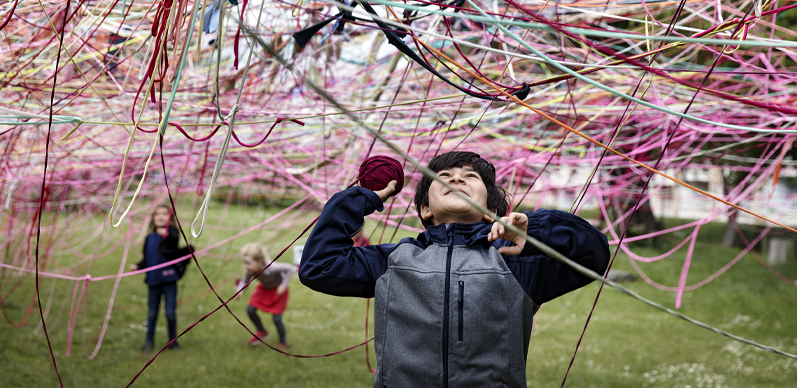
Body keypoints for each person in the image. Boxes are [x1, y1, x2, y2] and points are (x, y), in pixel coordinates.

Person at [299, 151, 610, 388]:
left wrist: (536, 228)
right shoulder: (393, 261)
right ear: (425, 208)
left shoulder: (513, 261)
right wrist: (359, 199)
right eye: (444, 175)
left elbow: (593, 254)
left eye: (471, 176)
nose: (458, 179)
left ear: (491, 209)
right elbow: (319, 266)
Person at [130, 204, 192, 353]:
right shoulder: (149, 238)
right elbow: (147, 259)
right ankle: (148, 342)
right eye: (157, 214)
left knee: (170, 312)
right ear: (153, 218)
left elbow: (174, 240)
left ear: (170, 218)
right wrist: (138, 266)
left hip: (169, 280)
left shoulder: (172, 235)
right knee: (152, 312)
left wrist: (167, 234)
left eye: (165, 214)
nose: (161, 216)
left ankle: (173, 342)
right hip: (153, 281)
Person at [237, 243, 293, 349]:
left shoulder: (271, 268)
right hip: (263, 290)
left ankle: (282, 342)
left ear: (260, 261)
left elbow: (289, 268)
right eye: (244, 263)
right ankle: (262, 332)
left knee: (277, 319)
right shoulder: (250, 270)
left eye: (248, 263)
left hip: (278, 291)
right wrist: (240, 290)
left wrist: (283, 285)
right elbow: (244, 281)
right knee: (250, 309)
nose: (245, 266)